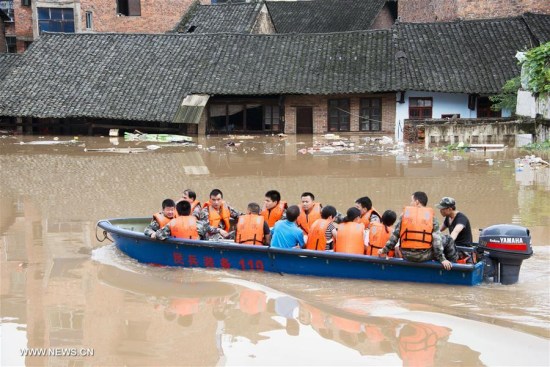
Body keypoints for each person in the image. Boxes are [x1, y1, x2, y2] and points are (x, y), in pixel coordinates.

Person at [377, 192, 454, 270]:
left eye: (412, 201)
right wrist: (442, 259)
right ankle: (453, 265)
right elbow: (437, 240)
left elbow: (395, 236)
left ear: (417, 202)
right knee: (448, 239)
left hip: (406, 255)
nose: (410, 203)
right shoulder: (432, 218)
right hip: (424, 256)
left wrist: (384, 250)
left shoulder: (404, 215)